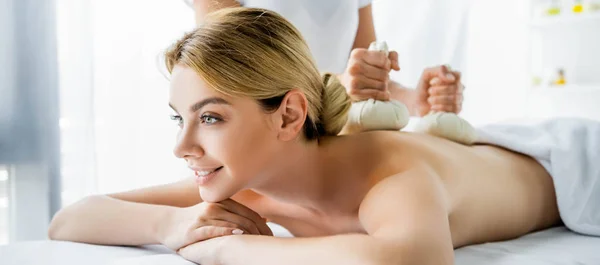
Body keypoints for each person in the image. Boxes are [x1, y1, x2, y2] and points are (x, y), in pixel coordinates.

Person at [48, 8, 600, 265]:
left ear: (289, 117)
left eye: (211, 118)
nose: (182, 145)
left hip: (574, 161)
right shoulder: (246, 182)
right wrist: (171, 224)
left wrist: (230, 251)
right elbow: (71, 218)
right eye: (180, 118)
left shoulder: (389, 176)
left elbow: (414, 260)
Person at [188, 0, 465, 117]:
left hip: (327, 150)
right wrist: (338, 87)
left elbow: (362, 80)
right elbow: (232, 71)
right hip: (256, 153)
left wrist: (414, 101)